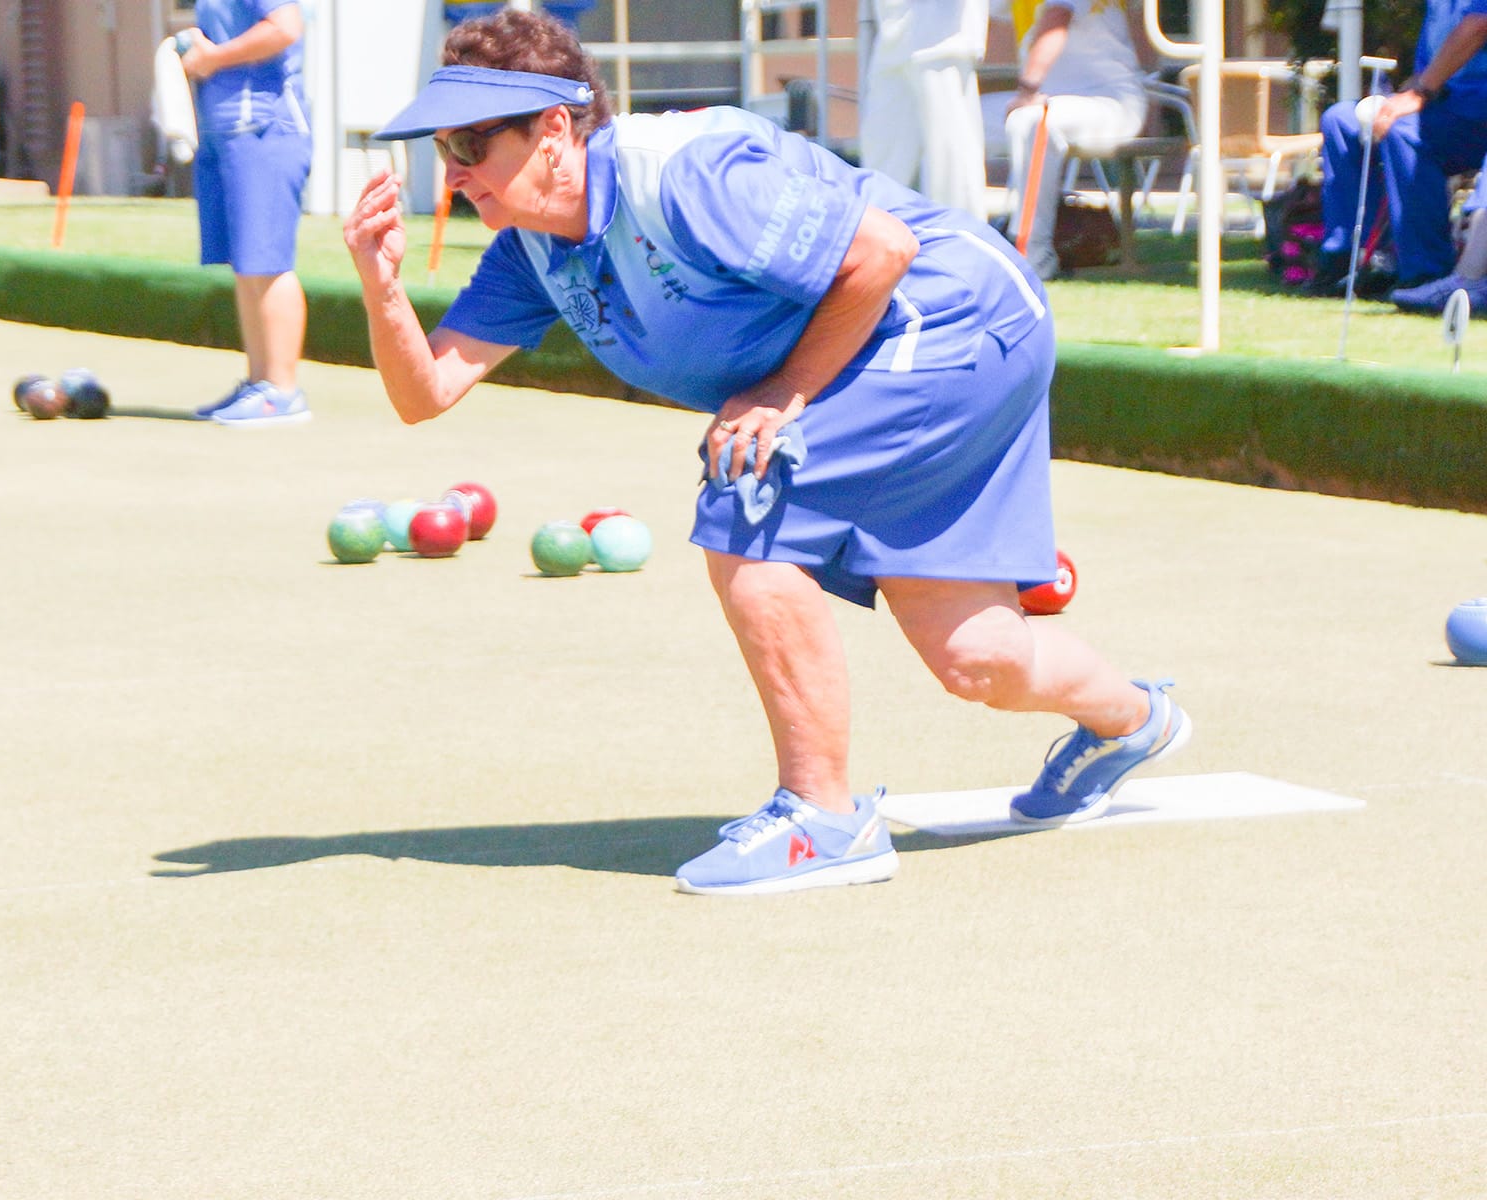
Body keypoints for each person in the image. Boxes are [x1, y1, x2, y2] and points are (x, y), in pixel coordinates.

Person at [343, 10, 1190, 897]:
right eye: (446, 147)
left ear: (555, 127)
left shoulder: (685, 175)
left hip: (952, 317)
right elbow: (425, 392)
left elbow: (883, 252)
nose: (458, 169)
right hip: (911, 346)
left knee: (749, 485)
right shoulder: (533, 251)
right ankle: (1132, 721)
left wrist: (779, 397)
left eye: (475, 141)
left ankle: (822, 817)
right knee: (976, 657)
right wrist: (381, 282)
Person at [178, 0, 313, 426]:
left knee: (268, 262)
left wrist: (212, 57)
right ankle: (260, 383)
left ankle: (283, 391)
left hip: (265, 127)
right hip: (224, 131)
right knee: (246, 264)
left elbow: (285, 28)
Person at [1324, 2, 1487, 300]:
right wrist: (1405, 92)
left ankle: (1426, 271)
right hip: (1443, 105)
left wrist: (1419, 92)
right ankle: (1355, 259)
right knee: (1341, 121)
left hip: (1476, 112)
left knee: (1404, 132)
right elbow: (1434, 61)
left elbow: (1477, 27)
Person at [982, 0, 1153, 280]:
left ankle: (1032, 257)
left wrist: (1027, 87)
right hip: (1047, 101)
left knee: (1032, 122)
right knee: (953, 119)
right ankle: (953, 245)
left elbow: (1056, 19)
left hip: (1111, 101)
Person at [859, 0, 991, 220]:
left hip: (941, 40)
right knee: (881, 159)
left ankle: (963, 243)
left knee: (951, 165)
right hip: (892, 36)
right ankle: (876, 243)